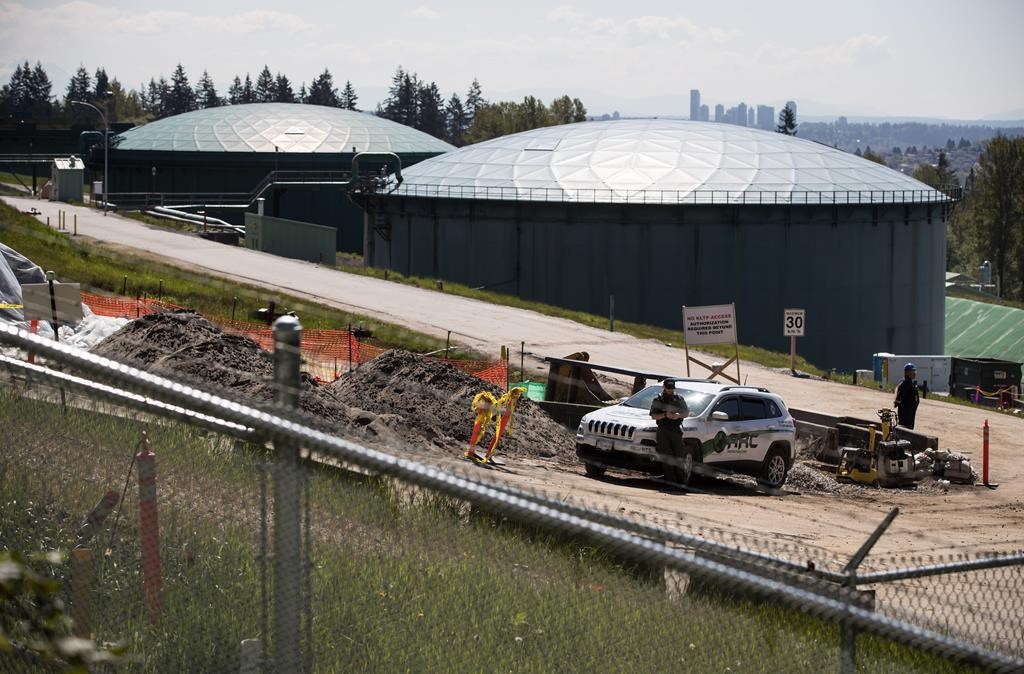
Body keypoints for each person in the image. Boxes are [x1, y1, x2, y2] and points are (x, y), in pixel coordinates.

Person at [650, 379, 690, 483]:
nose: (670, 391)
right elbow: (653, 416)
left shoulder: (679, 399)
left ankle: (681, 482)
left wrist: (678, 416)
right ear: (664, 387)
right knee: (666, 456)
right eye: (668, 388)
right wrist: (664, 415)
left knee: (679, 455)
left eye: (672, 388)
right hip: (663, 430)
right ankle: (670, 481)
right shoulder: (658, 399)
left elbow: (686, 413)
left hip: (676, 429)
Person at [894, 363, 920, 430]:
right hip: (906, 414)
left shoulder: (910, 383)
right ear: (907, 372)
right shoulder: (906, 383)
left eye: (914, 371)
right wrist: (899, 404)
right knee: (906, 430)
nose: (914, 373)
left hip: (910, 413)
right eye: (912, 371)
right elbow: (900, 397)